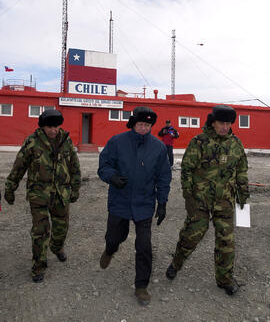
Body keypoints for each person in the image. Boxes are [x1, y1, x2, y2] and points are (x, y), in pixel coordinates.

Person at [165, 105, 249, 295]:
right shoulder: (199, 142)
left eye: (228, 123)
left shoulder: (235, 144)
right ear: (213, 122)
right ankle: (176, 263)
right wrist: (188, 196)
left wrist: (243, 194)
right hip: (200, 200)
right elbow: (186, 170)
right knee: (193, 234)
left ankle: (225, 279)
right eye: (221, 123)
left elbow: (241, 171)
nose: (225, 127)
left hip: (225, 200)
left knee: (226, 241)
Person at [98, 106, 171, 306]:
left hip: (144, 202)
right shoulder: (117, 142)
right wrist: (111, 177)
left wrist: (162, 202)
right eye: (140, 124)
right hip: (120, 201)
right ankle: (109, 250)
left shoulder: (158, 147)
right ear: (133, 124)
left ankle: (141, 286)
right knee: (115, 237)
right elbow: (104, 165)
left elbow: (164, 176)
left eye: (148, 125)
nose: (144, 129)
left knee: (144, 246)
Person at [4, 109, 81, 283]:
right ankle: (38, 265)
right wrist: (10, 188)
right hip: (39, 195)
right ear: (43, 126)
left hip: (61, 194)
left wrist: (75, 188)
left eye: (56, 127)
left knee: (62, 228)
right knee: (40, 231)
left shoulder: (66, 141)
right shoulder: (32, 142)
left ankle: (56, 247)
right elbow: (18, 167)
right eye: (49, 127)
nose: (53, 130)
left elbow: (74, 167)